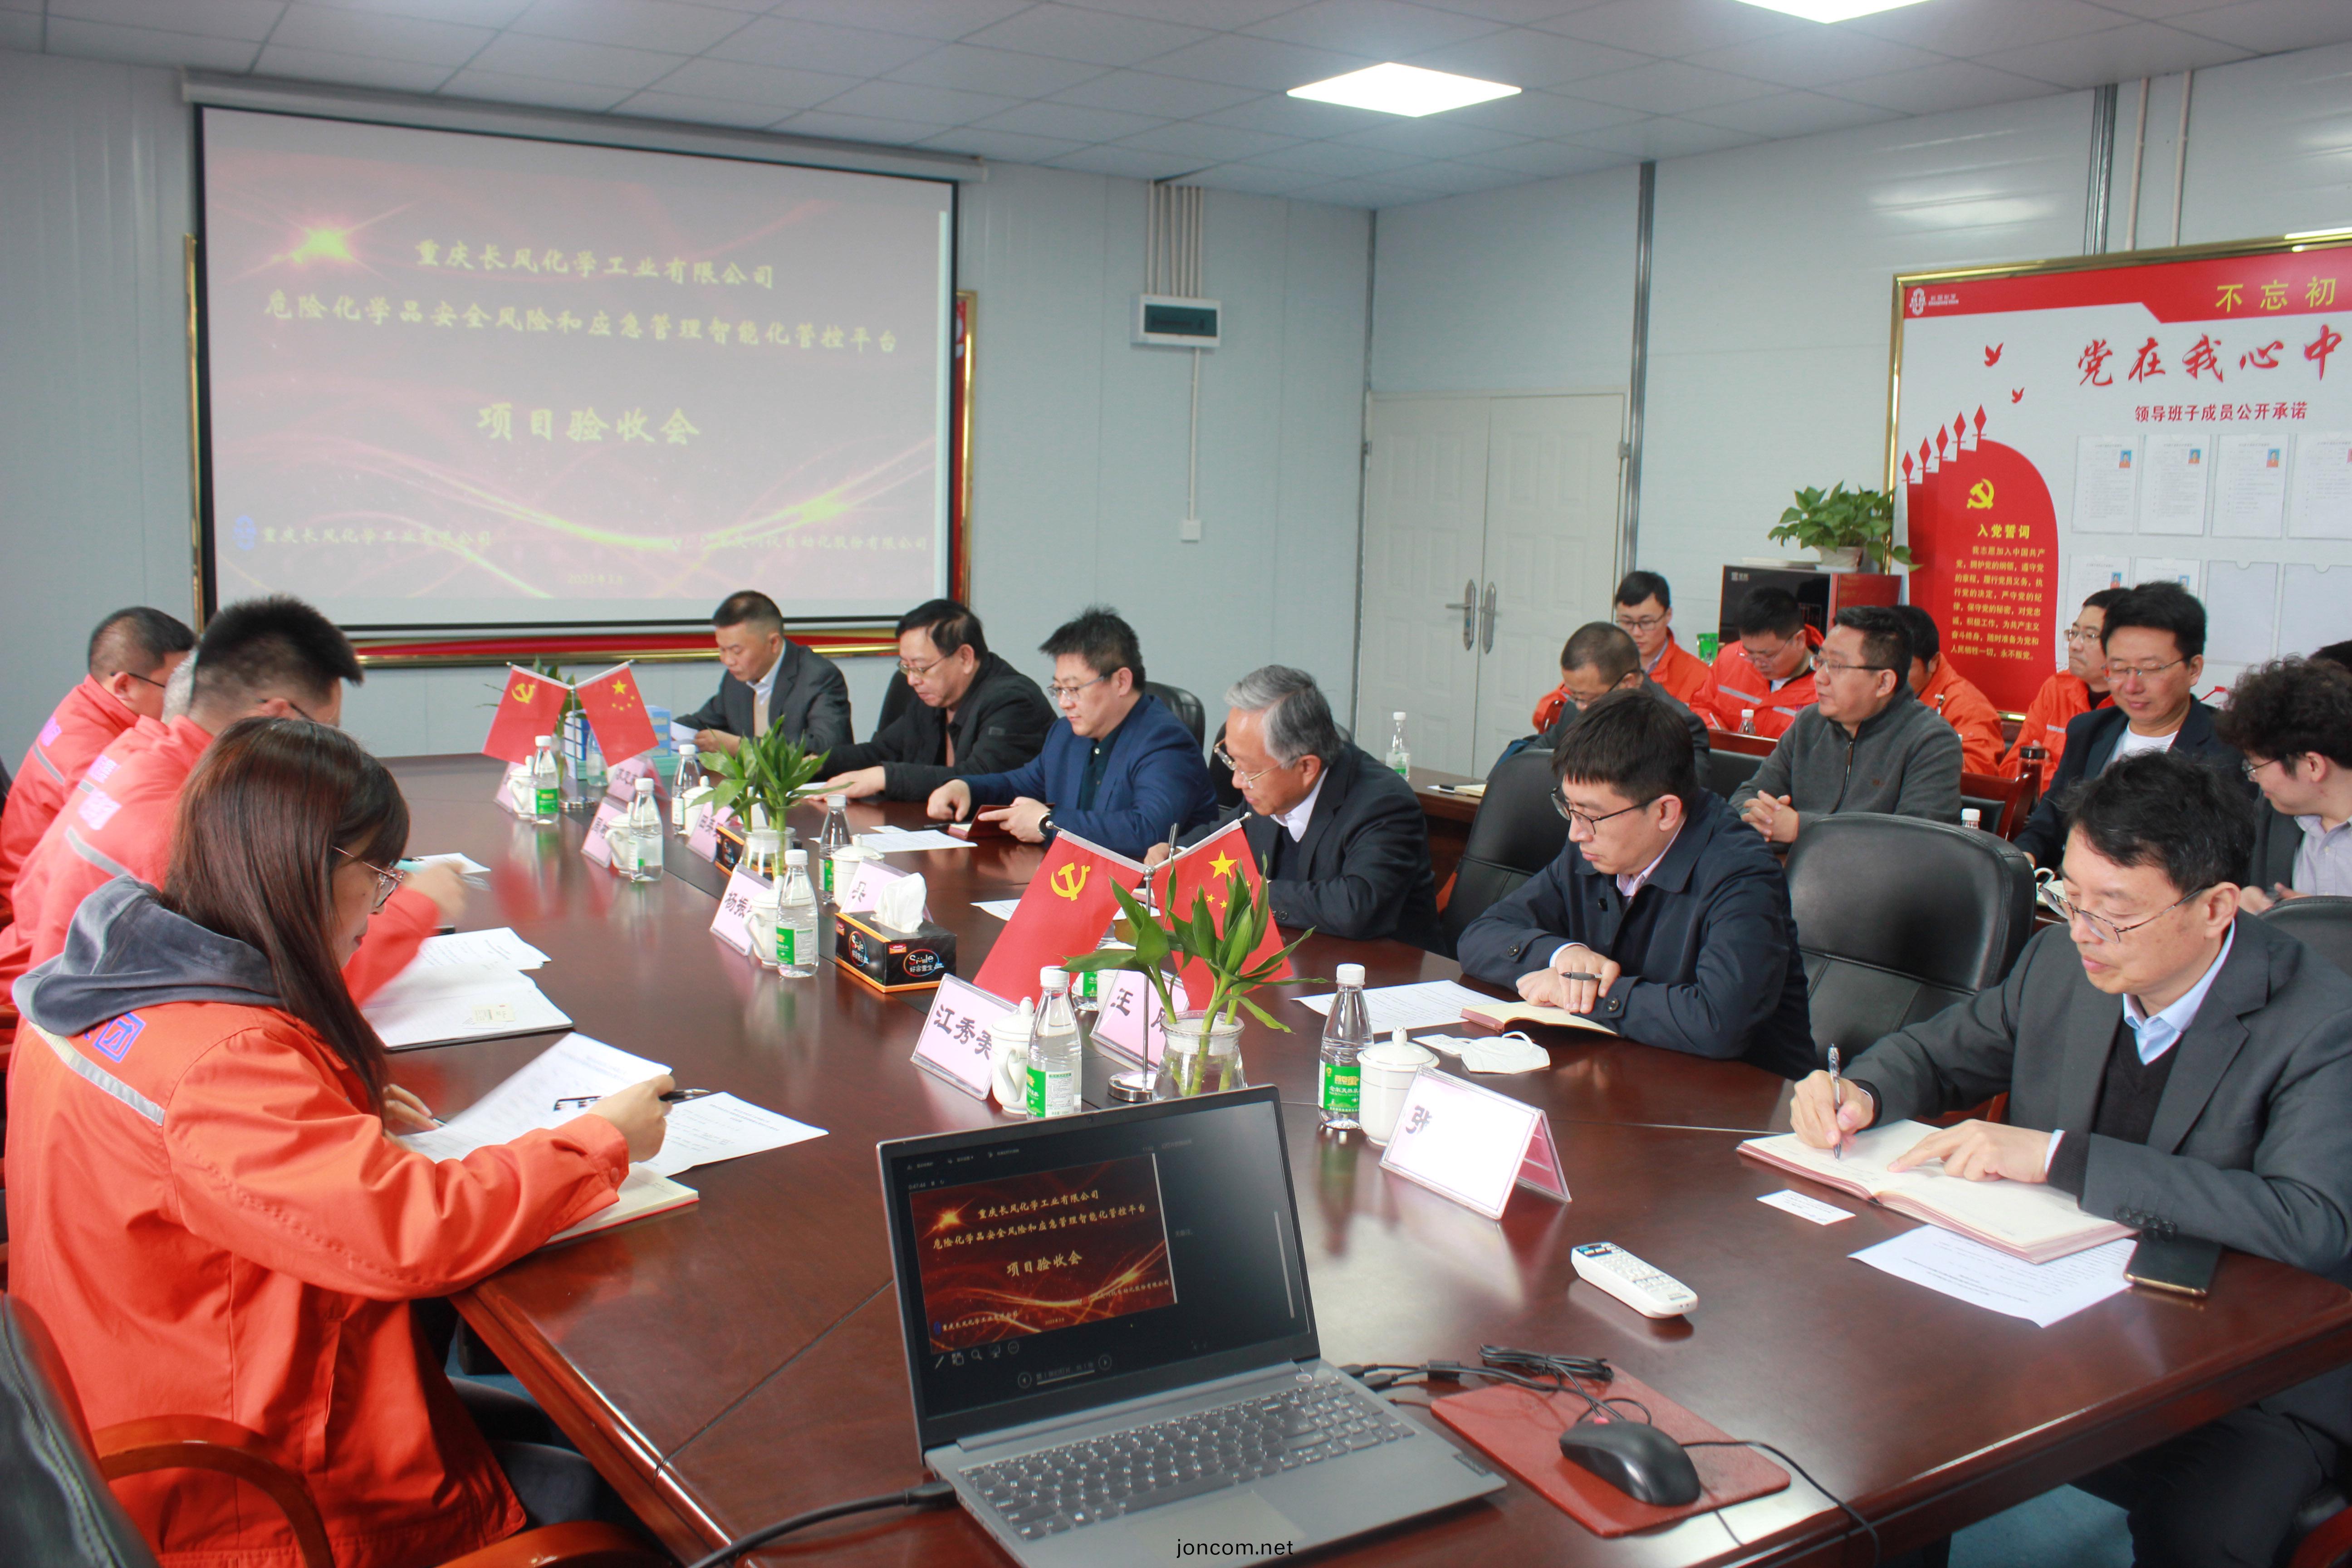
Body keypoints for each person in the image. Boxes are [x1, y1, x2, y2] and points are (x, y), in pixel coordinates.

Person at [7, 717, 673, 1568]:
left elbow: (189, 1159)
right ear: (301, 868)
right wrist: (600, 1141)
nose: (384, 904)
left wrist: (320, 1104)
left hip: (139, 1395)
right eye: (379, 876)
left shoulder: (98, 988)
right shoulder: (220, 1067)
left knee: (561, 1436)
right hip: (254, 1493)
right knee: (634, 1511)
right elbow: (416, 1233)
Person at [1787, 750, 2352, 1567]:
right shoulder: (2061, 963)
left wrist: (2058, 1157)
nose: (2081, 931)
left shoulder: (2321, 1020)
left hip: (2249, 1366)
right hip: (2057, 1314)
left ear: (2215, 907)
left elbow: (2309, 1220)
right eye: (2070, 897)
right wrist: (1862, 1091)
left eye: (2113, 912)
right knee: (1881, 1435)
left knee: (2202, 1537)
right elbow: (1942, 1052)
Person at [0, 597, 461, 1009]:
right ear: (277, 717)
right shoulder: (185, 826)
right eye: (324, 731)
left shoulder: (138, 753)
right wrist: (416, 909)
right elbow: (294, 992)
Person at [1457, 690, 1813, 1078]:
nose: (1576, 833)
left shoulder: (1742, 873)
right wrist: (1563, 956)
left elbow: (1718, 1023)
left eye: (1591, 816)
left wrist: (1581, 994)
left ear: (1665, 811)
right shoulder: (1592, 849)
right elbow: (1478, 938)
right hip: (1628, 1072)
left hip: (1746, 1097)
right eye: (1569, 808)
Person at [1151, 667, 1439, 949]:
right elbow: (1223, 833)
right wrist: (1177, 853)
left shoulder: (1384, 804)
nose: (1237, 781)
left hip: (1386, 968)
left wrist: (1247, 894)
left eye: (1249, 770)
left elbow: (1357, 906)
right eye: (1233, 762)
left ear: (1306, 767)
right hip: (1297, 955)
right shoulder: (1270, 788)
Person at [927, 607, 1214, 860]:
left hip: (1144, 897)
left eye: (1074, 689)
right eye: (1059, 689)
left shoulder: (1165, 742)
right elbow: (1022, 783)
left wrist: (1048, 824)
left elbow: (1148, 832)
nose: (1064, 703)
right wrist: (966, 788)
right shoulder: (1067, 733)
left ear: (1121, 681)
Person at [2011, 583, 2249, 867]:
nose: (2132, 686)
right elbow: (2048, 824)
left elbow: (2233, 856)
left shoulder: (2230, 747)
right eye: (2119, 669)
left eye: (2150, 669)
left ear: (2194, 669)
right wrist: (2024, 859)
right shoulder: (2089, 731)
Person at [0, 607, 195, 922]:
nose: (186, 699)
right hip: (30, 914)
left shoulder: (84, 705)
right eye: (173, 687)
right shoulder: (91, 752)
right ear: (123, 686)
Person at [1730, 607, 1962, 845]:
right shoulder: (1810, 723)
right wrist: (1764, 819)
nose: (1820, 677)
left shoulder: (1932, 741)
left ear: (1884, 682)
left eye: (1837, 666)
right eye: (1820, 661)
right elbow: (1745, 797)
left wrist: (1803, 828)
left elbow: (1919, 840)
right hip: (1792, 865)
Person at [817, 600, 1053, 801]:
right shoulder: (933, 696)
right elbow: (885, 750)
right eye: (906, 667)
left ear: (965, 657)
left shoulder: (1012, 700)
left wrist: (884, 777)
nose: (912, 680)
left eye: (921, 668)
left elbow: (981, 778)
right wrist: (817, 763)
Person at [2215, 657, 2352, 911]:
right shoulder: (2272, 814)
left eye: (2257, 766)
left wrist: (2326, 923)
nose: (2253, 778)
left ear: (2313, 765)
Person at [676, 590, 852, 759]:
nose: (728, 660)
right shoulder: (737, 678)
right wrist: (664, 728)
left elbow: (825, 747)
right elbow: (703, 723)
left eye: (737, 651)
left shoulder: (819, 676)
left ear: (774, 643)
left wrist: (741, 747)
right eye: (722, 649)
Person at [1531, 572, 1715, 730]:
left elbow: (1703, 737)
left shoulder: (1699, 676)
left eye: (1646, 622)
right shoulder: (1600, 663)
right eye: (1627, 622)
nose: (1636, 632)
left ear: (1668, 615)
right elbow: (1544, 714)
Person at [1534, 622, 1710, 765]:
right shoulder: (1574, 709)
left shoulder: (1679, 727)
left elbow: (1685, 795)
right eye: (1574, 695)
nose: (1581, 707)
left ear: (1627, 683)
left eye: (1589, 699)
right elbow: (1538, 755)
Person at [1999, 587, 2126, 782]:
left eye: (2091, 636)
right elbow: (2010, 770)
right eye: (2074, 633)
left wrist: (2046, 771)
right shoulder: (2057, 688)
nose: (2074, 645)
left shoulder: (2134, 700)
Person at [1890, 603, 2002, 776]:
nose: (1888, 679)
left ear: (1933, 662)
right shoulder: (1868, 689)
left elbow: (1975, 777)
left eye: (1902, 669)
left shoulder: (1969, 707)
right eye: (1881, 667)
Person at [1707, 588, 1819, 738]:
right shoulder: (1730, 659)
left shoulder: (1826, 687)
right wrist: (1715, 732)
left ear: (1799, 640)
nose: (1758, 664)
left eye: (1768, 655)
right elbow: (1702, 706)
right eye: (1749, 652)